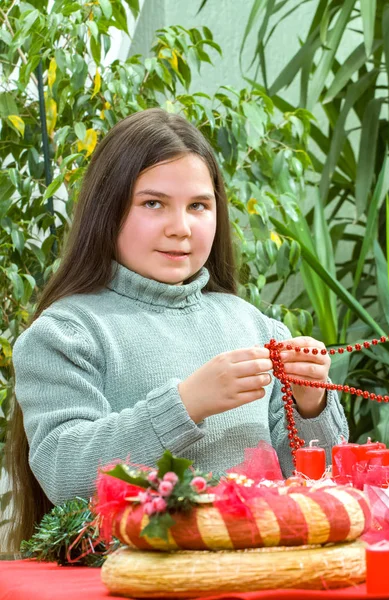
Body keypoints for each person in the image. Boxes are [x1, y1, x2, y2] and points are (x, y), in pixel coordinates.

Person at [8, 108, 348, 548]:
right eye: (153, 203)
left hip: (268, 574)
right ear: (106, 210)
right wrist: (186, 404)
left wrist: (311, 404)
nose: (180, 228)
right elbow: (65, 477)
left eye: (199, 206)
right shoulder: (65, 334)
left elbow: (323, 485)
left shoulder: (256, 325)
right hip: (137, 582)